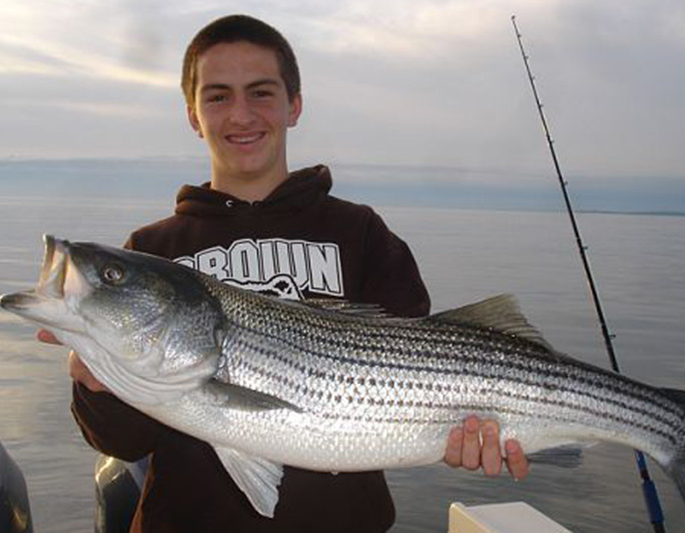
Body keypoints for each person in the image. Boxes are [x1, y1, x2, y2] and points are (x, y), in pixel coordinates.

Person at [38, 14, 528, 532]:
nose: (241, 114)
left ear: (294, 105)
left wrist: (467, 435)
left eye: (262, 93)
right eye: (218, 96)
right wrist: (99, 385)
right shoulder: (153, 250)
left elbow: (426, 367)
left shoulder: (361, 233)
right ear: (193, 115)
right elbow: (123, 443)